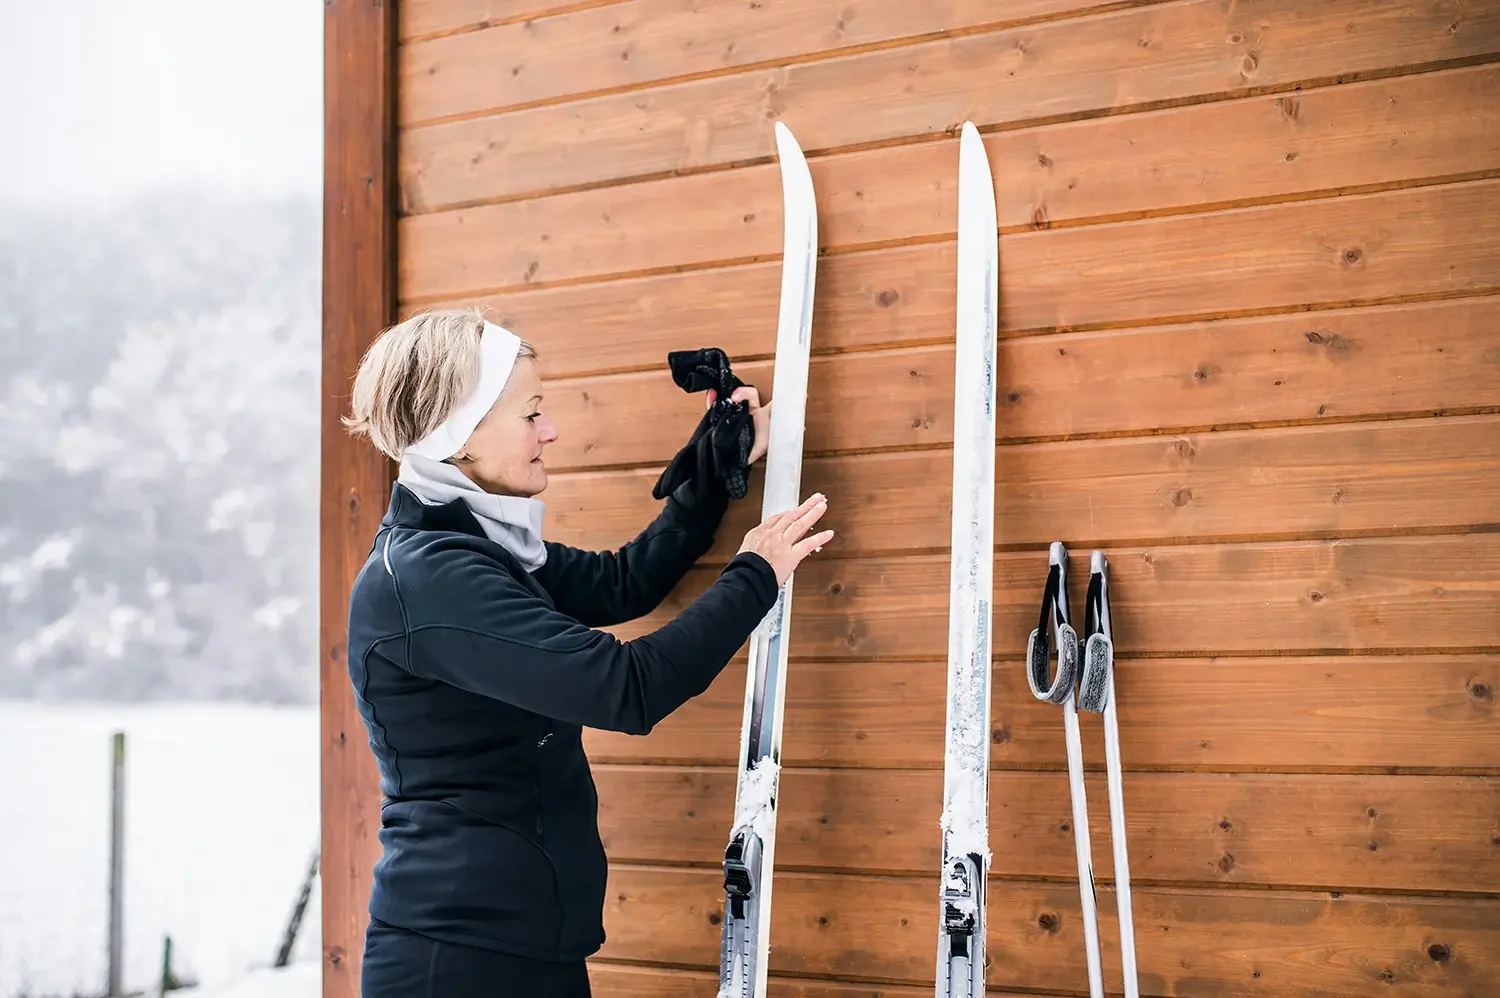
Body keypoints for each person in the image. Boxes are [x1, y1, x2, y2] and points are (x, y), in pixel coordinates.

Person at [339, 308, 833, 997]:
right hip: (457, 963)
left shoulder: (475, 543)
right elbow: (627, 689)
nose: (551, 431)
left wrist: (712, 470)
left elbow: (621, 582)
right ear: (461, 432)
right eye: (531, 414)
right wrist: (756, 573)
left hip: (528, 944)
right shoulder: (427, 578)